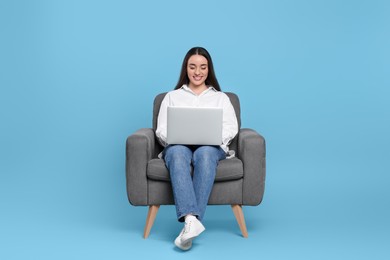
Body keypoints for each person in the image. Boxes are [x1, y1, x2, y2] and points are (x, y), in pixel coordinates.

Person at [156, 47, 238, 250]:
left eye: (203, 67)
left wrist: (209, 138)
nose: (197, 72)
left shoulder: (221, 98)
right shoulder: (172, 96)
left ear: (209, 69)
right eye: (193, 67)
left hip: (210, 147)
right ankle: (192, 221)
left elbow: (231, 127)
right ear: (186, 68)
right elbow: (161, 129)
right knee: (176, 152)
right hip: (178, 145)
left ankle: (189, 224)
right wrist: (177, 137)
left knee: (206, 152)